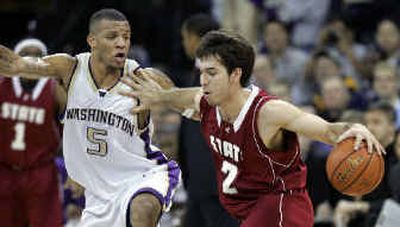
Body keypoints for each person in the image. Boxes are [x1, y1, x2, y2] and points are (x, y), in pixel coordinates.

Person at [120, 30, 385, 226]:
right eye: (202, 72)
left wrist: (353, 128)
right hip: (245, 211)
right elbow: (182, 97)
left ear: (235, 74)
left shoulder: (268, 112)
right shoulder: (208, 102)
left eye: (212, 73)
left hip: (281, 207)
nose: (204, 80)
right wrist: (161, 96)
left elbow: (326, 130)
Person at [0, 8, 181, 227]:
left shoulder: (140, 78)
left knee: (142, 210)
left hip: (142, 176)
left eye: (126, 37)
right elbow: (21, 66)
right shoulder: (70, 69)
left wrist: (163, 96)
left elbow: (179, 98)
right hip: (99, 193)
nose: (122, 43)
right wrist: (17, 65)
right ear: (92, 40)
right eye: (112, 37)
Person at [180, 14, 239, 227]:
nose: (183, 44)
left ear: (196, 40)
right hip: (201, 184)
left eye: (185, 38)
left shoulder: (219, 76)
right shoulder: (199, 74)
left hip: (215, 183)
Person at [0, 38, 65, 227]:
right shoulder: (2, 85)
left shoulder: (55, 90)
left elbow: (71, 132)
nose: (30, 59)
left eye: (37, 55)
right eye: (25, 54)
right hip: (4, 171)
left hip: (41, 172)